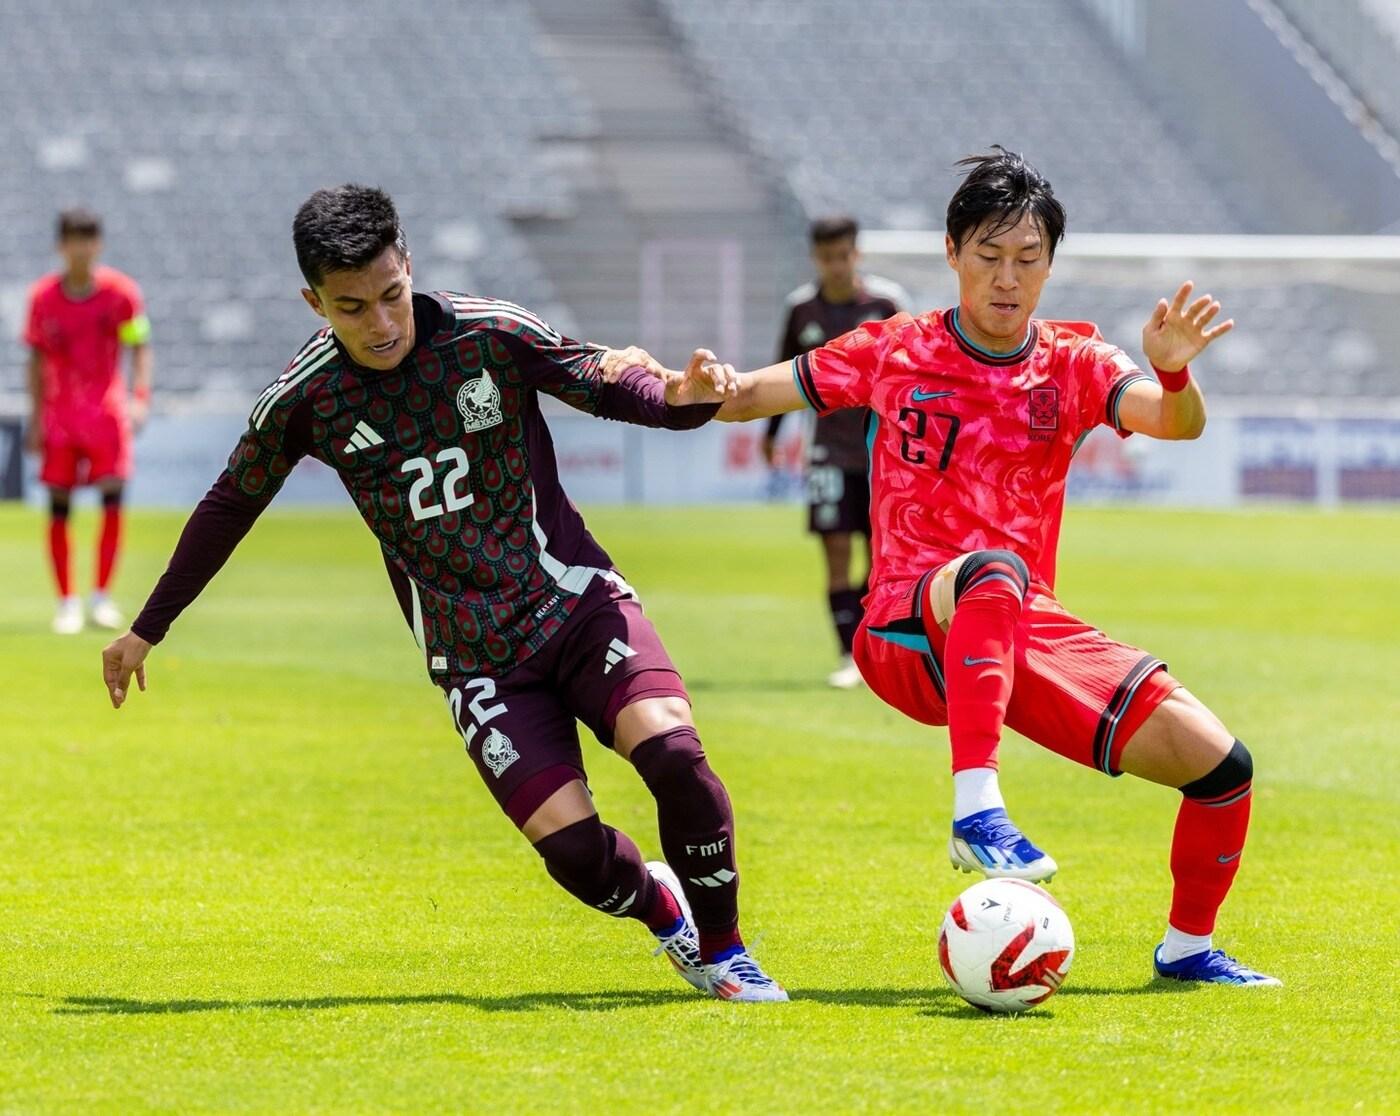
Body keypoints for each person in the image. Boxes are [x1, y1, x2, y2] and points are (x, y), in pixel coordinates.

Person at [99, 184, 785, 1002]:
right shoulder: (303, 401)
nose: (382, 324)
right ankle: (662, 911)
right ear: (313, 301)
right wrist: (147, 628)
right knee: (573, 856)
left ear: (408, 266)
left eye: (392, 295)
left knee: (672, 750)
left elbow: (605, 383)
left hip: (572, 599)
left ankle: (726, 950)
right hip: (475, 659)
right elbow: (228, 507)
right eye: (353, 309)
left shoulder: (488, 332)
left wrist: (681, 400)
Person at [676, 148, 1278, 986]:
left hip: (1014, 635)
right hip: (904, 628)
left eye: (1028, 260)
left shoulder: (1074, 362)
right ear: (952, 252)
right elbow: (745, 395)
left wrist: (1173, 368)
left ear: (1050, 267)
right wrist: (702, 383)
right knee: (994, 570)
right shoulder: (894, 349)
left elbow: (1175, 423)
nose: (1008, 278)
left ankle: (1187, 950)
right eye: (989, 256)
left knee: (1222, 770)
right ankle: (977, 809)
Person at [762, 216, 905, 688]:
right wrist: (772, 433)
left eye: (844, 255)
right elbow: (783, 374)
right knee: (837, 553)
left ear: (856, 254)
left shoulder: (886, 304)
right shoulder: (801, 310)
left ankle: (876, 649)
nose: (836, 265)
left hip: (883, 456)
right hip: (826, 453)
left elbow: (914, 377)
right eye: (828, 257)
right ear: (815, 258)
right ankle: (849, 656)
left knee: (883, 557)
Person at [24, 207, 153, 634]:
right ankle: (66, 602)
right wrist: (37, 416)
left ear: (98, 244)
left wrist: (139, 396)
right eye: (73, 240)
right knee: (59, 505)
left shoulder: (121, 294)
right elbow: (36, 359)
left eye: (88, 240)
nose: (81, 249)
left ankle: (101, 598)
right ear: (61, 246)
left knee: (111, 498)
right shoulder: (43, 298)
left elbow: (140, 345)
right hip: (60, 415)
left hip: (105, 411)